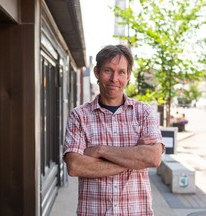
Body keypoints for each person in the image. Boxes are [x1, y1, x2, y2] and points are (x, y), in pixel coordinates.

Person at [63, 44, 164, 215]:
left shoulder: (144, 112)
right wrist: (134, 157)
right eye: (108, 71)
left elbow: (153, 158)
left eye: (121, 72)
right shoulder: (79, 116)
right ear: (96, 72)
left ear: (128, 75)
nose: (114, 79)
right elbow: (75, 166)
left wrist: (100, 151)